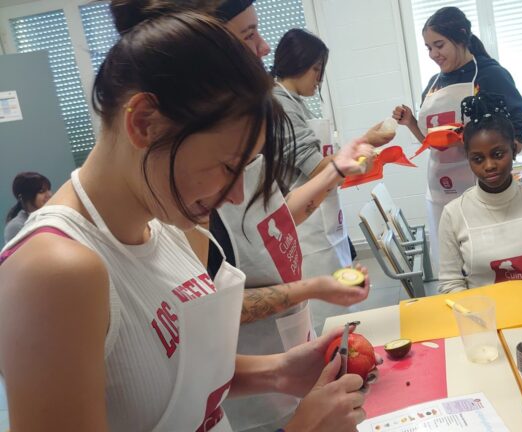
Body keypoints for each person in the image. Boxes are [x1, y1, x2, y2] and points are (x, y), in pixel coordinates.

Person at [0, 4, 367, 431]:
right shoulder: (54, 272)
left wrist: (278, 371)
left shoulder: (170, 227)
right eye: (228, 167)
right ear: (144, 123)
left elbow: (168, 369)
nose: (233, 196)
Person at [270, 28, 393, 329]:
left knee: (336, 303)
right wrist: (363, 153)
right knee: (322, 314)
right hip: (304, 225)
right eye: (316, 69)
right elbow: (317, 169)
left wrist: (364, 141)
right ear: (298, 64)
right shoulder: (280, 105)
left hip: (321, 217)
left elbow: (321, 160)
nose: (319, 79)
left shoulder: (295, 102)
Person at [391, 6, 522, 272]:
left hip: (481, 186)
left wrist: (473, 144)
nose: (433, 54)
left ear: (461, 37)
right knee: (451, 262)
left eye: (439, 45)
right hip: (440, 191)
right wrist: (409, 122)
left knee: (487, 261)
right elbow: (429, 141)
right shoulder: (434, 83)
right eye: (428, 48)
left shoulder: (489, 74)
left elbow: (516, 136)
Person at [438, 93, 522, 293]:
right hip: (482, 316)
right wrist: (477, 317)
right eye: (478, 159)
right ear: (468, 159)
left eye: (498, 155)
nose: (489, 166)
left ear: (513, 150)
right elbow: (450, 283)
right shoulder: (453, 214)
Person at [4, 171, 52, 243]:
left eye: (49, 189)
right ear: (24, 197)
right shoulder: (16, 227)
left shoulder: (53, 215)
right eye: (42, 191)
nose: (49, 195)